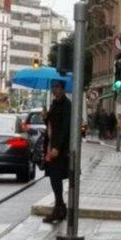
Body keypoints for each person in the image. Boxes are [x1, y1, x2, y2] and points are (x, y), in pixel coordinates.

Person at [42, 80, 71, 223]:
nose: (55, 90)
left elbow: (65, 128)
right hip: (51, 145)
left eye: (58, 87)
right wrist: (45, 117)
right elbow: (51, 125)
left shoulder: (66, 105)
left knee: (56, 178)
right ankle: (60, 207)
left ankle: (59, 208)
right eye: (53, 87)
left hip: (59, 149)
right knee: (54, 179)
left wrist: (57, 148)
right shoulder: (54, 103)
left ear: (63, 89)